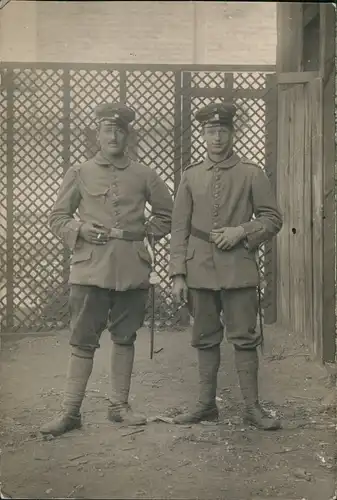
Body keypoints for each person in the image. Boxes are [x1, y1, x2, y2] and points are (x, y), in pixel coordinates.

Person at [40, 103, 173, 437]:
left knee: (125, 337)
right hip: (90, 268)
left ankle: (118, 406)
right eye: (106, 131)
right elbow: (57, 217)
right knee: (83, 340)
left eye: (119, 131)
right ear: (97, 135)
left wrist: (142, 234)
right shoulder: (80, 172)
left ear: (127, 136)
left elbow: (166, 215)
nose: (113, 136)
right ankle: (70, 412)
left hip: (131, 267)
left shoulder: (144, 174)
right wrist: (79, 231)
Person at [169, 102, 283, 430]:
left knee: (244, 337)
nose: (216, 137)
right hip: (199, 269)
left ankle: (252, 408)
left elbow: (273, 218)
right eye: (210, 131)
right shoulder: (190, 176)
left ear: (232, 133)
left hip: (239, 268)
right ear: (203, 135)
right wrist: (178, 272)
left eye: (222, 130)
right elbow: (179, 227)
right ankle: (206, 405)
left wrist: (242, 231)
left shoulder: (251, 173)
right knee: (204, 337)